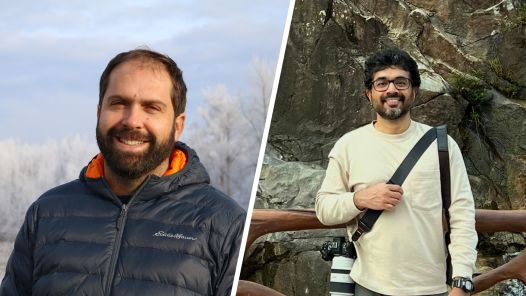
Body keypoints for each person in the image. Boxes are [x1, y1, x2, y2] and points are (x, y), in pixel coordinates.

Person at [0, 49, 246, 296]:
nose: (132, 120)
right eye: (118, 103)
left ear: (177, 126)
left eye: (151, 107)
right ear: (99, 113)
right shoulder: (46, 215)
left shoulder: (224, 226)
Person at [315, 48, 477, 296]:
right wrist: (360, 199)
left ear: (414, 91)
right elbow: (324, 208)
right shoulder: (349, 145)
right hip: (369, 286)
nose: (392, 90)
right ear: (369, 94)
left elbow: (462, 214)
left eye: (401, 82)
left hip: (431, 288)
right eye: (382, 83)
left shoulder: (442, 146)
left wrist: (462, 280)